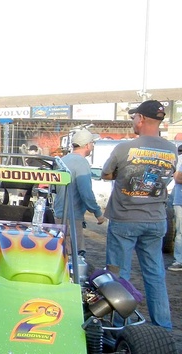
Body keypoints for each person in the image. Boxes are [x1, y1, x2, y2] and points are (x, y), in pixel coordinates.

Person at [102, 100, 178, 329]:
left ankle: (118, 327)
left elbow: (106, 174)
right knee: (155, 274)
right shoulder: (171, 149)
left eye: (134, 117)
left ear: (142, 119)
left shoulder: (124, 148)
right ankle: (163, 326)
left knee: (118, 276)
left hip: (125, 218)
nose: (133, 121)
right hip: (155, 220)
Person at [56, 129, 105, 256]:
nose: (93, 146)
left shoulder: (62, 160)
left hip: (58, 215)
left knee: (61, 255)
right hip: (72, 217)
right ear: (87, 145)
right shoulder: (82, 163)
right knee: (74, 257)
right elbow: (86, 193)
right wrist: (98, 213)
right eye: (92, 143)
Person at [170, 145, 182, 272]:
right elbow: (178, 178)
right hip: (180, 201)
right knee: (180, 232)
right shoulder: (180, 159)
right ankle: (179, 261)